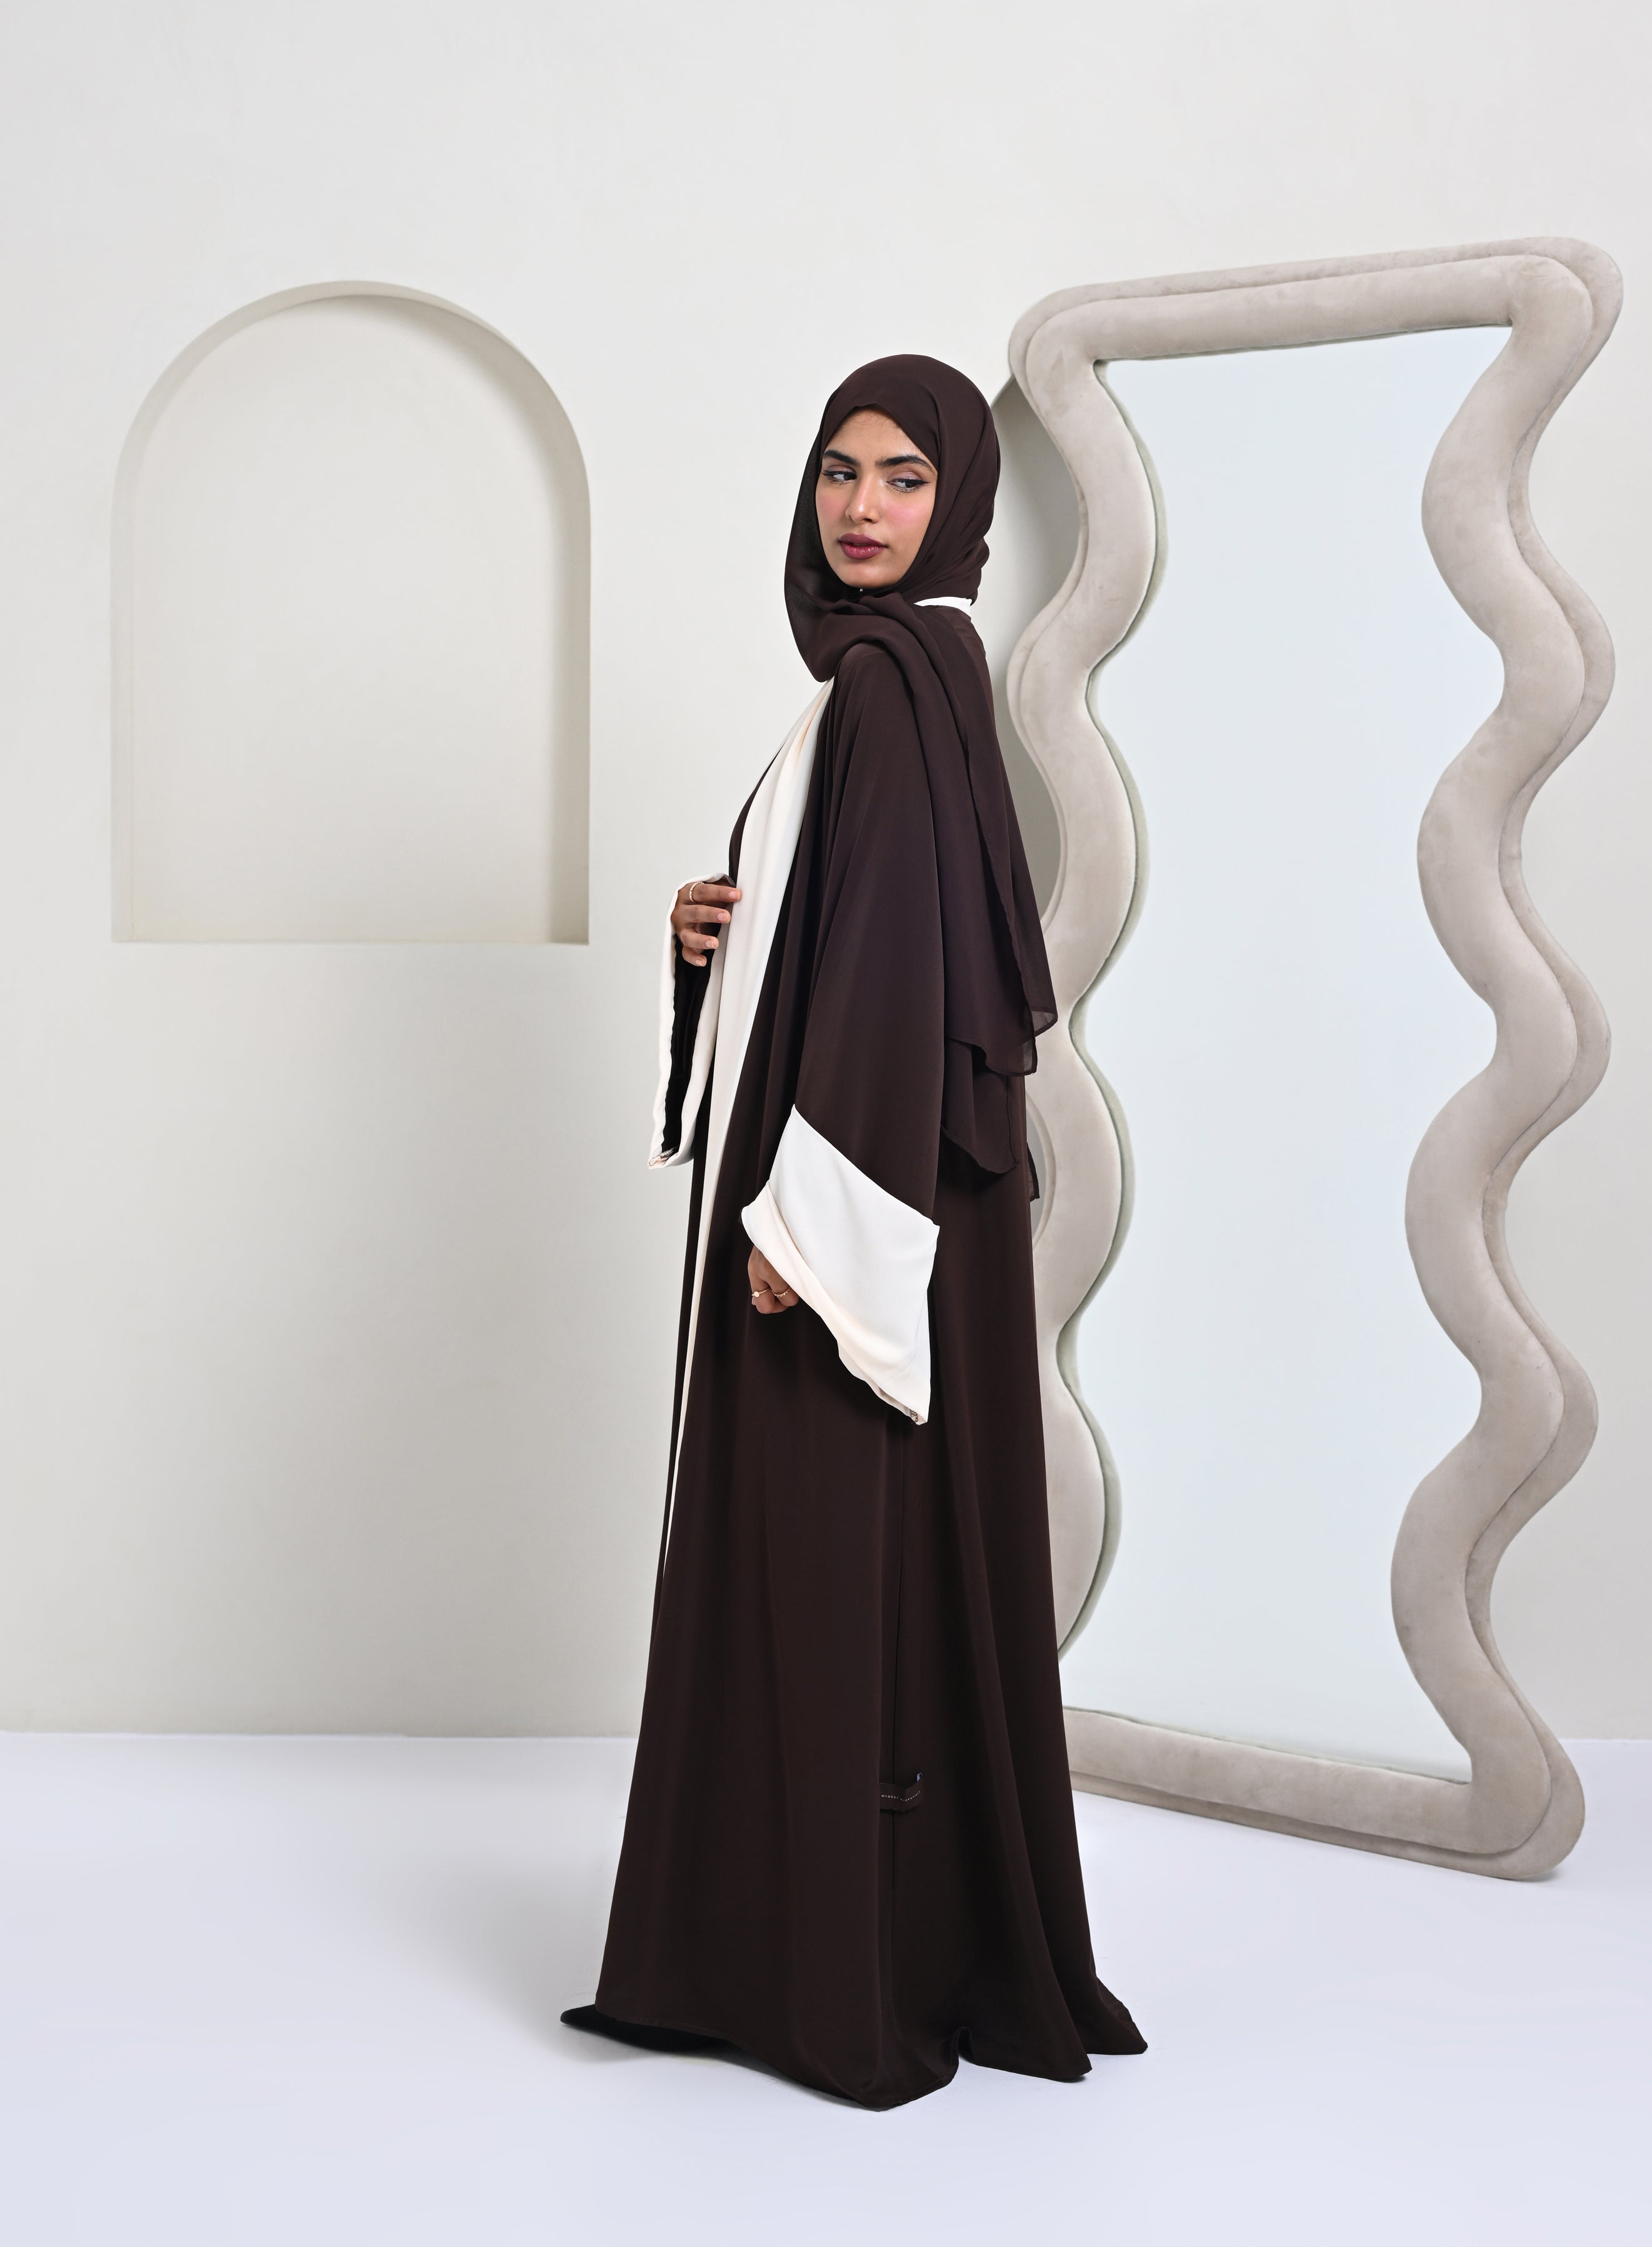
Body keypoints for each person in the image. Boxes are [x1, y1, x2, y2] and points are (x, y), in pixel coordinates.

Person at [563, 356, 1143, 2108]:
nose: (863, 507)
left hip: (836, 1205)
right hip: (866, 1186)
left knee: (822, 1558)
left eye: (904, 477)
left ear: (958, 503)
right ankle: (880, 1938)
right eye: (838, 472)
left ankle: (823, 1967)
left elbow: (896, 972)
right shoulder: (902, 677)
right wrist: (718, 933)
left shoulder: (890, 683)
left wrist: (811, 1225)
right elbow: (869, 928)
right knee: (864, 1560)